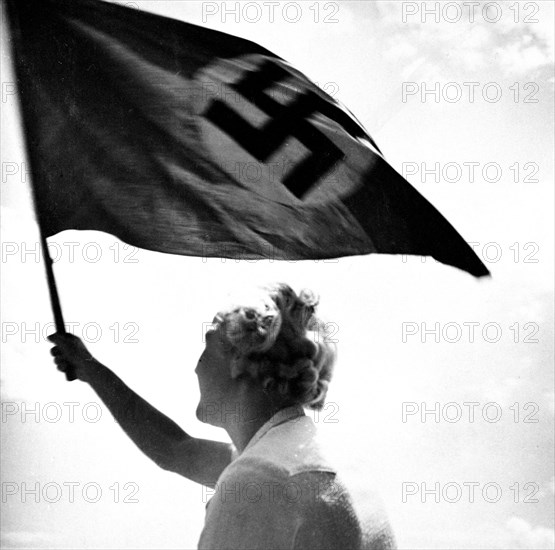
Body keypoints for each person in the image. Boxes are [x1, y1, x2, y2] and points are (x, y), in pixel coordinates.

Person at [49, 283, 395, 549]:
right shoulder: (304, 454)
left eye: (208, 344)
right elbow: (175, 449)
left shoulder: (258, 480)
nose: (195, 366)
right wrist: (89, 368)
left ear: (241, 363)